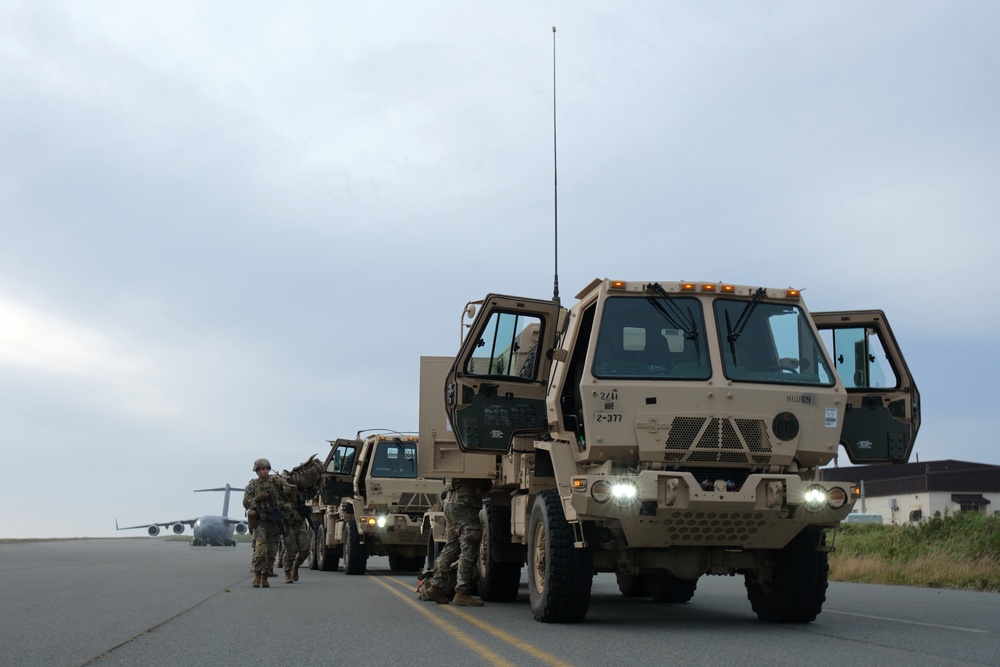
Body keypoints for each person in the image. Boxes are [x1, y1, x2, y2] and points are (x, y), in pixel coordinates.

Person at [425, 477, 492, 606]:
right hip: (465, 504)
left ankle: (435, 586)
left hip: (450, 502)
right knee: (469, 547)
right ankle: (462, 592)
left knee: (451, 547)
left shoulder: (456, 464)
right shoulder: (471, 462)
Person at [243, 458, 292, 588]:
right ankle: (257, 576)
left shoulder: (275, 481)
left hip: (274, 521)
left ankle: (265, 576)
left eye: (267, 469)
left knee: (271, 551)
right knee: (260, 549)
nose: (266, 471)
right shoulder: (252, 486)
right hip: (260, 521)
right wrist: (256, 498)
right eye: (263, 469)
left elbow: (289, 491)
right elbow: (246, 504)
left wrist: (280, 485)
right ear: (257, 471)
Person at [279, 472, 311, 583]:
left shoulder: (299, 492)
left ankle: (295, 567)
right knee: (291, 550)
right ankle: (287, 572)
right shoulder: (278, 493)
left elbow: (311, 494)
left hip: (300, 523)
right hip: (287, 525)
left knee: (305, 549)